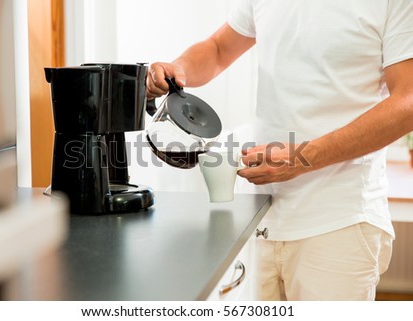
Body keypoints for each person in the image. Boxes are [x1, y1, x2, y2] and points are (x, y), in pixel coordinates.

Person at [146, 0, 413, 300]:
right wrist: (178, 68)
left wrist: (304, 158)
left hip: (338, 223)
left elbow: (407, 102)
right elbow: (219, 48)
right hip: (258, 220)